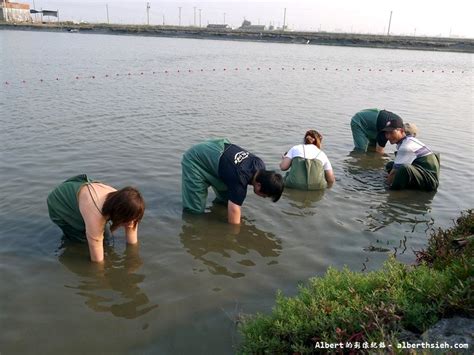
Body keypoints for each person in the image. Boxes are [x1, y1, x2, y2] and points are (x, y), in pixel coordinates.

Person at [181, 138, 284, 224]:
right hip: (196, 158)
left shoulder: (260, 164)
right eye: (264, 195)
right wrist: (235, 237)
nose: (263, 197)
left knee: (226, 202)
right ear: (258, 185)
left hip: (219, 151)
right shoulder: (240, 181)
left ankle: (217, 208)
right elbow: (234, 216)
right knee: (195, 211)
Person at [47, 174, 145, 262]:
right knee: (83, 241)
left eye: (135, 219)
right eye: (128, 220)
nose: (131, 223)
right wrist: (101, 278)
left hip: (85, 199)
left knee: (107, 239)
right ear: (119, 215)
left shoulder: (126, 203)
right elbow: (97, 261)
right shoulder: (96, 214)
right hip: (60, 203)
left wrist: (132, 260)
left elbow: (132, 242)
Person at [381, 117, 440, 191]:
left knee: (403, 168)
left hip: (430, 182)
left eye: (392, 132)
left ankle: (394, 191)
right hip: (422, 172)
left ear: (401, 131)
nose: (388, 136)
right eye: (386, 133)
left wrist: (384, 187)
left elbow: (394, 172)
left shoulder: (406, 147)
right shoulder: (408, 140)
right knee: (390, 165)